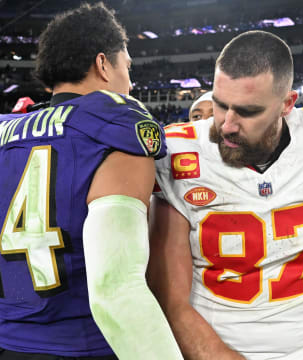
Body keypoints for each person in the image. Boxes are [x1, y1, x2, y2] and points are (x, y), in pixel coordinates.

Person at [147, 30, 303, 360]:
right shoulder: (177, 152)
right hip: (213, 349)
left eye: (247, 111)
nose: (227, 125)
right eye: (219, 105)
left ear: (287, 104)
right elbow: (168, 296)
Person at [0, 3, 182, 360]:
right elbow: (116, 290)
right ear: (103, 64)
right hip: (81, 343)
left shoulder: (6, 129)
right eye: (127, 66)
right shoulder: (114, 126)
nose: (130, 82)